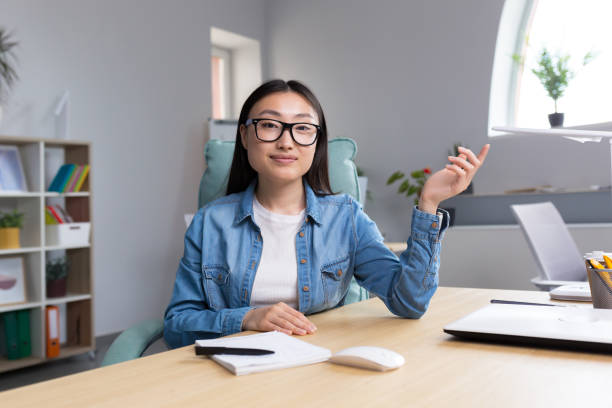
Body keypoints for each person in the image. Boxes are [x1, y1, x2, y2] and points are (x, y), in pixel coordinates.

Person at [163, 79, 490, 348]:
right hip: (234, 369)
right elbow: (178, 326)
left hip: (319, 364)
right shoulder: (211, 222)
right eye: (269, 125)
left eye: (302, 128)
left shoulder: (345, 217)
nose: (286, 142)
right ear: (246, 136)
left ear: (317, 142)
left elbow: (410, 301)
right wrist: (247, 318)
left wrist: (429, 203)